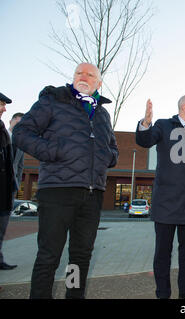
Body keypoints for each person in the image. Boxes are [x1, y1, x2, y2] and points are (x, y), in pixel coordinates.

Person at [13, 63, 119, 299]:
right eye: (79, 73)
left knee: (80, 257)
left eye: (90, 75)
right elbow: (21, 132)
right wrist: (52, 151)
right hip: (57, 191)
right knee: (49, 255)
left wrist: (106, 157)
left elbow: (113, 149)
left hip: (92, 194)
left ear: (98, 83)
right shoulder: (53, 101)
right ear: (73, 77)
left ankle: (74, 296)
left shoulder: (102, 113)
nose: (84, 77)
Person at [135, 95, 185, 299]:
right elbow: (144, 140)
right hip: (166, 203)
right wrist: (146, 123)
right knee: (162, 254)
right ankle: (163, 294)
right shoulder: (163, 125)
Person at [0, 92, 18, 271]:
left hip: (5, 190)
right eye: (1, 104)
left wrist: (13, 185)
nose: (4, 109)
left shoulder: (3, 132)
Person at [9, 113, 25, 196]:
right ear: (10, 121)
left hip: (11, 186)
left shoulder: (20, 145)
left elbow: (20, 166)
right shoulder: (2, 136)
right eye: (17, 123)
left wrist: (17, 184)